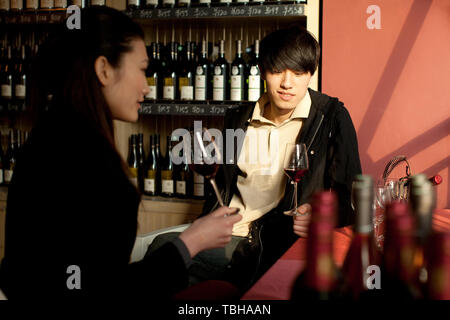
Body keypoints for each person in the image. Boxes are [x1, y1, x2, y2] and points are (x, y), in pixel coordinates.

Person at [0, 6, 241, 300]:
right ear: (103, 69)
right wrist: (190, 243)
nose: (147, 87)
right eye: (142, 69)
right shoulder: (87, 159)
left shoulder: (49, 137)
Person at [150, 25, 362, 292]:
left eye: (298, 73)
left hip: (277, 243)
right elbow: (222, 188)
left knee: (162, 256)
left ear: (310, 74)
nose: (287, 83)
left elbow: (352, 197)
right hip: (226, 235)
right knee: (163, 253)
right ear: (262, 71)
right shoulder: (238, 118)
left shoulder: (331, 117)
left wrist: (324, 215)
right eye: (277, 72)